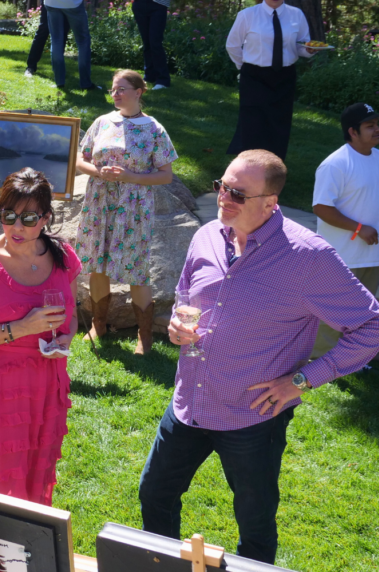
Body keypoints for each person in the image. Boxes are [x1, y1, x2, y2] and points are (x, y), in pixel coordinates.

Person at [139, 150, 379, 564]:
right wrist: (178, 322)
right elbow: (185, 292)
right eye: (222, 186)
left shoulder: (309, 258)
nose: (223, 198)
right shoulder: (207, 235)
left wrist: (303, 381)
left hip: (252, 417)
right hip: (189, 404)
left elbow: (371, 326)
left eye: (237, 193)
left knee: (253, 523)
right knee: (155, 494)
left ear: (271, 202)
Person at [0, 168, 79, 506]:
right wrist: (21, 328)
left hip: (45, 390)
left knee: (33, 488)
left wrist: (65, 340)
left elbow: (72, 317)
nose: (17, 227)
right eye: (8, 216)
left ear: (46, 218)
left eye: (29, 217)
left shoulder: (62, 257)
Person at [75, 69, 177, 354]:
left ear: (139, 92)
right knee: (97, 264)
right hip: (99, 203)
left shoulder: (154, 128)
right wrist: (99, 171)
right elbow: (79, 162)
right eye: (113, 89)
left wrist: (131, 176)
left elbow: (165, 175)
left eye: (121, 88)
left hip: (134, 208)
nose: (115, 94)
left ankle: (144, 336)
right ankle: (99, 324)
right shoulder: (102, 122)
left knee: (136, 270)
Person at [226, 0, 319, 160]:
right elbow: (233, 45)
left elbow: (300, 44)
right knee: (253, 124)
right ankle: (249, 167)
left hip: (284, 78)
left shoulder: (296, 15)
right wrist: (243, 67)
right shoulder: (247, 15)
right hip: (254, 77)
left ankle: (274, 169)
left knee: (279, 124)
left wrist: (308, 50)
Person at [311, 103, 379, 357]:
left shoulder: (378, 158)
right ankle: (320, 359)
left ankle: (358, 356)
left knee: (366, 310)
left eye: (377, 124)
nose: (376, 130)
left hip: (373, 254)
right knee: (333, 309)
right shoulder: (336, 164)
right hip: (341, 255)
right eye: (369, 126)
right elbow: (321, 207)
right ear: (352, 131)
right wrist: (359, 228)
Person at [32, 0, 100, 90]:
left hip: (52, 0)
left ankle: (59, 81)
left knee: (56, 40)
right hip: (73, 0)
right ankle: (85, 83)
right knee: (82, 41)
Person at [130, 0, 175, 90]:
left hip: (158, 5)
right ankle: (149, 76)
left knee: (155, 41)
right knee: (147, 42)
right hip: (140, 4)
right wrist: (133, 0)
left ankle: (163, 80)